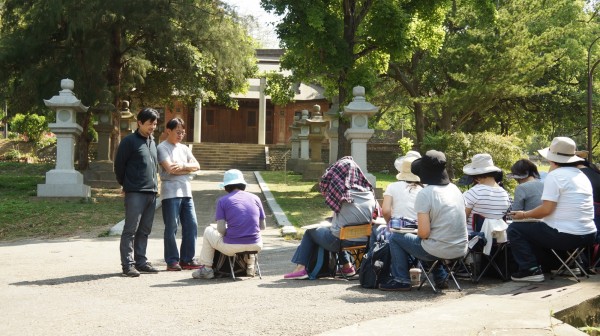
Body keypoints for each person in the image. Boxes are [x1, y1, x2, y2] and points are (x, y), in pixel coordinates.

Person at [509, 137, 598, 282]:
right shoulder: (581, 175)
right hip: (589, 233)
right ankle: (567, 264)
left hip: (568, 236)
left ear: (552, 160)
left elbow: (546, 209)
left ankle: (530, 270)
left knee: (515, 229)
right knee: (543, 228)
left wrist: (524, 215)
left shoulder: (555, 176)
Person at [379, 150, 468, 291]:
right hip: (461, 248)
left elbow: (424, 233)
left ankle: (401, 279)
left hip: (438, 249)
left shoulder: (426, 193)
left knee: (396, 237)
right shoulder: (454, 189)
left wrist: (414, 231)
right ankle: (440, 276)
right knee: (433, 241)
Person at [284, 156, 378, 280]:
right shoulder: (369, 193)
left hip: (340, 241)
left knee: (311, 232)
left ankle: (301, 268)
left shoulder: (342, 193)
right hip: (364, 240)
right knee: (339, 231)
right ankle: (347, 266)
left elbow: (326, 186)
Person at [192, 169, 266, 279]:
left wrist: (232, 231)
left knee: (208, 230)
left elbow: (221, 229)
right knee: (250, 230)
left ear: (226, 186)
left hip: (232, 247)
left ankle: (207, 269)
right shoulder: (255, 198)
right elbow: (262, 226)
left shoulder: (223, 201)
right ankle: (251, 266)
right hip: (256, 245)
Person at [114, 107, 160, 277]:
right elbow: (119, 166)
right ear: (139, 122)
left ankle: (141, 262)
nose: (153, 127)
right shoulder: (129, 141)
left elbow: (154, 167)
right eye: (150, 123)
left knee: (145, 230)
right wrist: (125, 185)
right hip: (135, 192)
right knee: (130, 229)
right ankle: (128, 265)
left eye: (155, 124)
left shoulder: (152, 142)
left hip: (151, 192)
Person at [157, 118, 201, 271]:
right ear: (168, 131)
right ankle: (172, 261)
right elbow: (170, 169)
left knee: (192, 225)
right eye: (177, 132)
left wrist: (183, 166)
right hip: (170, 192)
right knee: (172, 227)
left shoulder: (184, 148)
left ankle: (187, 259)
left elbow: (197, 165)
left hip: (186, 192)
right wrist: (187, 170)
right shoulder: (162, 148)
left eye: (182, 132)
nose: (180, 135)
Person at [462, 153, 511, 233]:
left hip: (474, 240)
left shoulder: (474, 192)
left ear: (476, 175)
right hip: (496, 240)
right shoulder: (504, 194)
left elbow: (462, 218)